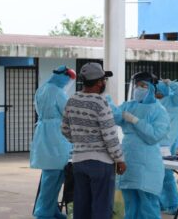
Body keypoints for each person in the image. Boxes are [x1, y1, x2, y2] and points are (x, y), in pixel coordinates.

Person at [61, 62, 126, 219]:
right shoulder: (100, 103)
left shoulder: (72, 100)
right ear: (99, 82)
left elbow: (64, 129)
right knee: (101, 208)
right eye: (104, 80)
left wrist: (80, 140)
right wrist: (120, 159)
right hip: (101, 163)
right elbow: (110, 136)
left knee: (81, 207)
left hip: (78, 162)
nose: (104, 83)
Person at [107, 72, 170, 219]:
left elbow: (154, 136)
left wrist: (136, 121)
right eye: (137, 86)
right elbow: (115, 116)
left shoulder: (159, 111)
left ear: (152, 89)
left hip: (147, 164)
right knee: (130, 204)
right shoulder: (129, 105)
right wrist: (107, 102)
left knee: (148, 205)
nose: (138, 89)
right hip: (129, 159)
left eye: (143, 86)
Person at [30, 65, 76, 219]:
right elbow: (68, 113)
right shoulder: (57, 92)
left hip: (44, 134)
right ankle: (43, 213)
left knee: (51, 177)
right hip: (56, 136)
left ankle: (51, 210)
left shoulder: (42, 89)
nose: (68, 83)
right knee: (52, 179)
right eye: (69, 80)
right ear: (63, 77)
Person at [156, 79, 178, 214]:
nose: (156, 94)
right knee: (156, 175)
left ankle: (173, 205)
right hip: (154, 143)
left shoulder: (175, 101)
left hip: (167, 144)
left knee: (167, 175)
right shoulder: (153, 102)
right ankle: (161, 203)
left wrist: (170, 83)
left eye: (158, 91)